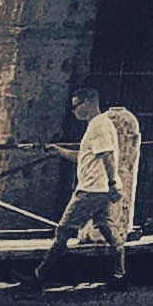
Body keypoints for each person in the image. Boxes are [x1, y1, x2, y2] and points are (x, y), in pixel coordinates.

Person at [31, 86, 139, 288]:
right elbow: (84, 157)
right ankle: (120, 275)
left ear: (89, 102)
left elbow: (107, 155)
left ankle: (39, 276)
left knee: (63, 231)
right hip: (100, 189)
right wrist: (59, 151)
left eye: (76, 106)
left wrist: (112, 183)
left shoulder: (98, 125)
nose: (74, 111)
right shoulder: (99, 124)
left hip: (91, 190)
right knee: (109, 231)